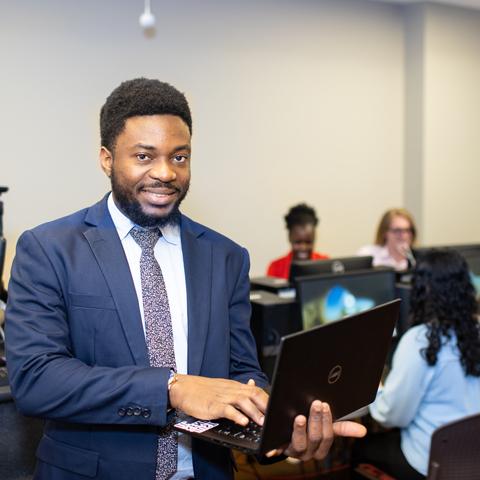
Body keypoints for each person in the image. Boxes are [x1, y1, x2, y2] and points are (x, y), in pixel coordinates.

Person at [5, 78, 365, 480]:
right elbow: (36, 379)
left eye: (179, 157)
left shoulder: (225, 256)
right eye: (144, 156)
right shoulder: (50, 248)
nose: (165, 173)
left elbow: (242, 372)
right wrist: (171, 388)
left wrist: (279, 427)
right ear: (107, 159)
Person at [351, 249, 480, 478]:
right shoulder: (476, 331)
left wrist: (377, 387)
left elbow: (392, 416)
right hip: (473, 459)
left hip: (430, 463)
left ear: (424, 289)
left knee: (361, 447)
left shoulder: (420, 341)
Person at [266, 203, 328, 279]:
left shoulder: (325, 264)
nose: (303, 247)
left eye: (308, 242)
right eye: (298, 242)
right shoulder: (276, 268)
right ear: (289, 238)